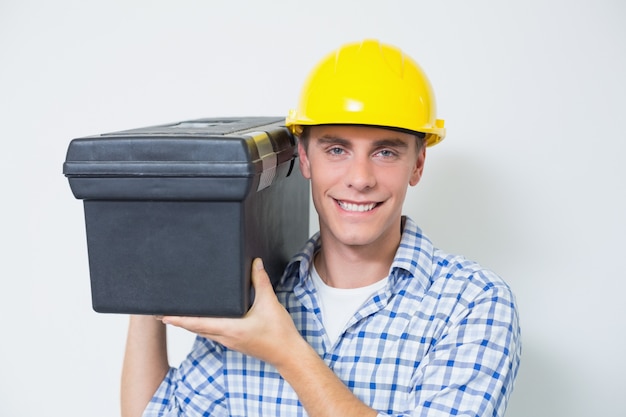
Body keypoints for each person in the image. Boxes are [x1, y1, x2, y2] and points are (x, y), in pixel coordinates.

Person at [121, 39, 521, 417]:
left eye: (385, 152)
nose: (360, 178)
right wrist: (150, 272)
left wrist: (286, 351)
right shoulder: (259, 296)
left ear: (417, 165)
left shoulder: (471, 303)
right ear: (305, 159)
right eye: (336, 150)